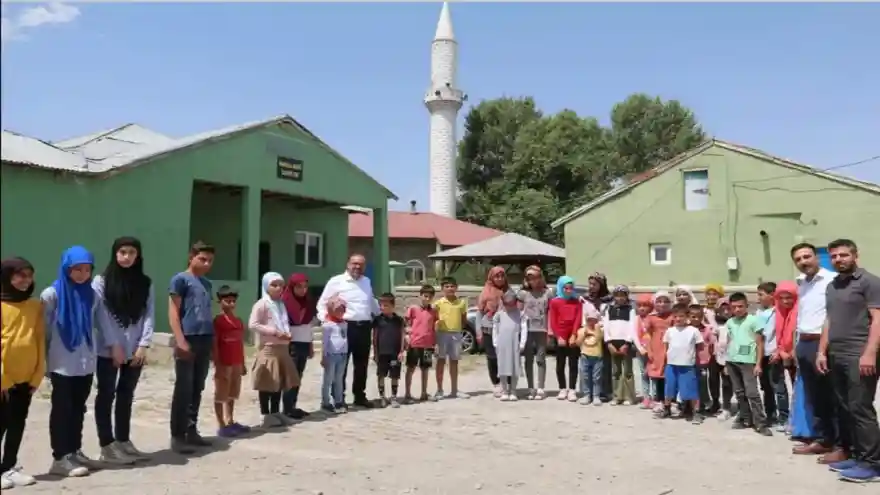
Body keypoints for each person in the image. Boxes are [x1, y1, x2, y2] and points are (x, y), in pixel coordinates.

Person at [820, 239, 880, 482]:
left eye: (843, 255)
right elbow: (828, 321)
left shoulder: (870, 282)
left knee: (860, 408)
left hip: (859, 354)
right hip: (837, 354)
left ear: (855, 255)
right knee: (846, 408)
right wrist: (821, 351)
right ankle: (857, 455)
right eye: (834, 256)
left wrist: (870, 353)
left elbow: (878, 320)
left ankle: (873, 464)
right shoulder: (832, 285)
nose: (838, 260)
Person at [92, 237, 154, 465]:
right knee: (106, 394)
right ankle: (106, 446)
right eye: (122, 252)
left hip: (135, 349)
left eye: (132, 252)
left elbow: (149, 314)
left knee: (126, 395)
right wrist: (114, 345)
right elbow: (101, 316)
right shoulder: (101, 282)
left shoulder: (145, 283)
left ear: (138, 256)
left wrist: (143, 345)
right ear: (115, 254)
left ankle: (123, 440)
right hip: (109, 350)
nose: (127, 257)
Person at [43, 246, 101, 477]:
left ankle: (74, 451)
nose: (82, 274)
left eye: (87, 269)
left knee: (78, 407)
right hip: (61, 361)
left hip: (85, 361)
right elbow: (44, 330)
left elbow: (93, 324)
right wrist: (44, 361)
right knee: (62, 409)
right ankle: (59, 457)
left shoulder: (92, 294)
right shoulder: (52, 294)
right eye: (77, 269)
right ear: (66, 268)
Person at [789, 243, 839, 461]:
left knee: (832, 396)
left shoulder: (831, 280)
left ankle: (840, 445)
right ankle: (823, 439)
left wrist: (823, 349)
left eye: (807, 256)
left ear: (817, 257)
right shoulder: (802, 284)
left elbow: (832, 316)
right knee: (814, 396)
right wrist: (796, 345)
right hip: (805, 343)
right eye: (798, 259)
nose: (803, 262)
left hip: (824, 344)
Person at [168, 242, 216, 454]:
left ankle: (191, 430)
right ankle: (177, 436)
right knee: (183, 388)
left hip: (205, 338)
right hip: (188, 338)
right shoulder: (180, 280)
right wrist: (180, 340)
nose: (206, 264)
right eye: (202, 259)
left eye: (210, 261)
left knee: (198, 386)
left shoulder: (206, 283)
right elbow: (173, 312)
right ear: (191, 258)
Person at [1, 257, 44, 489]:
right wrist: (3, 379)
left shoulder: (35, 306)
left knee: (17, 424)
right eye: (20, 275)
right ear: (7, 277)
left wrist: (37, 375)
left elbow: (38, 340)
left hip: (26, 379)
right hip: (3, 380)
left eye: (29, 275)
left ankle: (8, 466)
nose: (26, 281)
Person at [316, 254, 379, 409]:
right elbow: (322, 303)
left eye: (361, 264)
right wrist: (326, 320)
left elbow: (370, 302)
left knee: (361, 364)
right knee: (341, 365)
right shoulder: (336, 281)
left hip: (364, 326)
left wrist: (378, 315)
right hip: (344, 327)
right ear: (348, 264)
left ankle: (359, 395)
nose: (357, 267)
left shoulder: (367, 281)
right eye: (354, 263)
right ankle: (338, 397)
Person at [249, 272, 300, 428]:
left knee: (279, 381)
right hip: (269, 349)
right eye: (274, 285)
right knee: (267, 381)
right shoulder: (262, 304)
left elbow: (283, 322)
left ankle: (276, 411)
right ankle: (266, 414)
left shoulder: (280, 304)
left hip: (282, 348)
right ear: (266, 286)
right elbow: (253, 324)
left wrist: (286, 334)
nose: (278, 288)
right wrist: (274, 332)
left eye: (281, 285)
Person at [725, 292, 772, 436]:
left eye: (740, 306)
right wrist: (726, 363)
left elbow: (759, 343)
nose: (737, 310)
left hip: (748, 362)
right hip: (732, 361)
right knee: (739, 392)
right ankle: (745, 418)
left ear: (747, 306)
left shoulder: (754, 320)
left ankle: (760, 423)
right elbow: (729, 341)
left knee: (752, 392)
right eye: (734, 307)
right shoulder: (730, 322)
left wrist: (758, 364)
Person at [656, 303, 704, 424]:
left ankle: (696, 412)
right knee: (669, 388)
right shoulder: (670, 331)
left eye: (681, 316)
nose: (678, 319)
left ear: (687, 316)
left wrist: (700, 363)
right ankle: (667, 409)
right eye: (676, 316)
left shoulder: (693, 331)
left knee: (691, 390)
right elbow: (666, 348)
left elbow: (700, 348)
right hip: (672, 365)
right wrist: (663, 364)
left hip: (688, 365)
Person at [212, 286, 248, 437]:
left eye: (233, 301)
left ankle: (230, 420)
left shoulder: (238, 321)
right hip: (224, 362)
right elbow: (215, 344)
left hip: (236, 362)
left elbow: (240, 343)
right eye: (227, 301)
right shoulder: (218, 321)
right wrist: (217, 363)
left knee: (232, 393)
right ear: (220, 302)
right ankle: (221, 424)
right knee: (221, 393)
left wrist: (243, 363)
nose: (231, 304)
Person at [281, 273, 317, 420]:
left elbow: (308, 325)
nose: (303, 290)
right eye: (299, 287)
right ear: (292, 287)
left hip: (304, 342)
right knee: (291, 376)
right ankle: (287, 407)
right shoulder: (285, 302)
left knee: (298, 376)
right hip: (291, 344)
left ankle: (293, 406)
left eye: (305, 287)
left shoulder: (308, 302)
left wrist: (310, 345)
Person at [755, 282, 789, 430]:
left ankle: (784, 417)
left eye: (761, 294)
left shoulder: (779, 312)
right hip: (762, 354)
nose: (758, 298)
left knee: (779, 387)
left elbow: (781, 333)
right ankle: (770, 414)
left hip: (774, 354)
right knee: (766, 387)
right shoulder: (759, 313)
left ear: (771, 295)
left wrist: (778, 351)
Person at [517, 265, 553, 400]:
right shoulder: (522, 294)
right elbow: (518, 313)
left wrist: (550, 330)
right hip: (527, 330)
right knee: (528, 359)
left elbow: (551, 312)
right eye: (530, 278)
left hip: (542, 329)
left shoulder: (548, 293)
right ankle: (530, 387)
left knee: (541, 359)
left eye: (537, 277)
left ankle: (541, 388)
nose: (534, 281)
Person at [433, 276, 470, 400]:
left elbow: (464, 319)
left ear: (456, 287)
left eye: (452, 286)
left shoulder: (461, 303)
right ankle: (439, 389)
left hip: (456, 334)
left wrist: (459, 329)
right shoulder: (438, 303)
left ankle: (454, 390)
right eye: (447, 286)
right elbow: (433, 318)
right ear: (442, 288)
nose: (450, 288)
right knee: (441, 361)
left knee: (454, 362)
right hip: (442, 334)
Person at [549, 276, 582, 402]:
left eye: (570, 288)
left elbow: (578, 319)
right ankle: (562, 388)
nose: (568, 290)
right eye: (566, 288)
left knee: (573, 363)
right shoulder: (555, 302)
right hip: (560, 336)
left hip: (573, 335)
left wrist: (574, 334)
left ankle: (572, 389)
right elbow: (553, 320)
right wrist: (558, 336)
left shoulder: (577, 302)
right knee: (560, 364)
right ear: (561, 288)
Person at [603, 285, 637, 405]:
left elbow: (632, 327)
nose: (620, 298)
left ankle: (630, 397)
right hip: (613, 343)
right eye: (617, 296)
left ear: (627, 296)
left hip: (625, 344)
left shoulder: (630, 309)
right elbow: (606, 327)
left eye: (623, 296)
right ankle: (617, 396)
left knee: (627, 370)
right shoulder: (609, 309)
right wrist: (608, 343)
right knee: (616, 371)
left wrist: (627, 343)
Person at [404, 285, 438, 403]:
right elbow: (406, 323)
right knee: (411, 368)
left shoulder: (433, 311)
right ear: (420, 296)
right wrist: (407, 335)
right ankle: (407, 394)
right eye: (425, 296)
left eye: (430, 297)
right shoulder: (413, 308)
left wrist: (435, 343)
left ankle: (424, 393)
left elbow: (434, 326)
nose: (427, 299)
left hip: (428, 345)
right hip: (414, 343)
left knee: (425, 369)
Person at [581, 273, 612, 401]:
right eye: (590, 284)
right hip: (589, 335)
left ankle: (604, 392)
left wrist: (601, 328)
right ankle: (587, 392)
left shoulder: (609, 300)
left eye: (595, 284)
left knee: (603, 364)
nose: (592, 287)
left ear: (602, 285)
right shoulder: (585, 299)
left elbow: (608, 317)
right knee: (586, 365)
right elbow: (583, 316)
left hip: (603, 334)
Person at [773, 282, 799, 435]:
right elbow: (778, 334)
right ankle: (787, 419)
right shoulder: (778, 312)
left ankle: (797, 422)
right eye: (781, 298)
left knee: (799, 390)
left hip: (799, 355)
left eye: (789, 298)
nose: (785, 302)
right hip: (783, 354)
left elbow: (800, 332)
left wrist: (794, 351)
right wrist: (782, 350)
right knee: (783, 388)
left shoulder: (800, 311)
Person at [477, 267, 507, 396]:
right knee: (492, 357)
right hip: (488, 328)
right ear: (491, 278)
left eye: (502, 276)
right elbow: (479, 312)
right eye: (497, 276)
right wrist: (478, 332)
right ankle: (496, 383)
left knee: (505, 356)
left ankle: (506, 382)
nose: (500, 279)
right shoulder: (486, 292)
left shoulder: (508, 291)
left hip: (504, 329)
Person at [372, 293, 406, 408]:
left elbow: (402, 335)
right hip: (382, 353)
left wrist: (401, 351)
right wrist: (375, 353)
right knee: (381, 375)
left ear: (393, 306)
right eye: (381, 305)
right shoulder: (377, 320)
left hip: (395, 353)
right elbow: (375, 337)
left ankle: (393, 397)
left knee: (394, 375)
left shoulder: (399, 320)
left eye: (385, 305)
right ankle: (382, 397)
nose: (382, 308)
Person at [644, 291, 674, 410]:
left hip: (670, 347)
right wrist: (649, 351)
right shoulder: (651, 317)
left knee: (670, 374)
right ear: (654, 303)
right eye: (659, 301)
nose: (662, 304)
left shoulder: (672, 316)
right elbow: (647, 336)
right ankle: (660, 399)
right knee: (658, 375)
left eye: (666, 301)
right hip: (656, 348)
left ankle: (672, 400)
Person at [320, 296, 349, 413]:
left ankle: (338, 401)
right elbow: (325, 342)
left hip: (342, 355)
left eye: (342, 310)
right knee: (328, 379)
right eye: (337, 310)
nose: (340, 312)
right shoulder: (328, 325)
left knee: (339, 379)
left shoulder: (345, 324)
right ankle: (325, 402)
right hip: (331, 355)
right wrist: (323, 356)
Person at [494, 289, 523, 401]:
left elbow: (524, 328)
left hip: (515, 343)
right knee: (502, 367)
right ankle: (505, 390)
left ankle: (513, 390)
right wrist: (495, 342)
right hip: (502, 343)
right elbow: (495, 329)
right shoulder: (499, 315)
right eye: (507, 304)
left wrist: (522, 342)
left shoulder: (519, 314)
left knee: (515, 367)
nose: (509, 307)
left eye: (511, 304)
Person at [710, 297, 734, 419]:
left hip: (728, 358)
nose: (725, 312)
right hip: (714, 356)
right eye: (722, 309)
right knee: (713, 380)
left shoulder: (734, 323)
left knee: (727, 383)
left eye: (728, 309)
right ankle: (715, 403)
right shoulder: (713, 321)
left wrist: (727, 361)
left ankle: (726, 407)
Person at [689, 304, 716, 416]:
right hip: (688, 362)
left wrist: (710, 356)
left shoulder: (706, 330)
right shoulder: (685, 329)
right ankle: (689, 406)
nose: (696, 319)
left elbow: (712, 344)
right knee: (690, 384)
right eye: (693, 317)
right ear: (688, 316)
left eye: (698, 317)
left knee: (702, 384)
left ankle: (704, 404)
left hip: (702, 362)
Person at [576, 307, 603, 406]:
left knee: (597, 377)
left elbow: (600, 338)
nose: (591, 322)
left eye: (594, 320)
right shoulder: (581, 330)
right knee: (586, 376)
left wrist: (597, 329)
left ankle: (596, 396)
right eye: (589, 320)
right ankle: (587, 395)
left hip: (597, 356)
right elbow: (578, 343)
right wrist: (583, 334)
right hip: (585, 355)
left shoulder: (599, 330)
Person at [634, 293, 654, 408]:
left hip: (653, 351)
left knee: (654, 374)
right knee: (643, 373)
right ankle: (646, 397)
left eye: (645, 305)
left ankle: (655, 397)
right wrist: (640, 348)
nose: (642, 308)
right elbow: (634, 335)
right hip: (641, 350)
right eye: (639, 305)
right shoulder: (636, 319)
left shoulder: (653, 318)